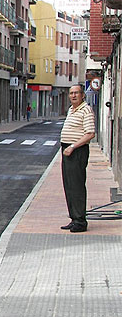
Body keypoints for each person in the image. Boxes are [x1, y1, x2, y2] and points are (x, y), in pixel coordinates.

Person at [59, 84, 95, 233]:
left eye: (76, 93)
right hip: (67, 150)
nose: (73, 96)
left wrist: (73, 146)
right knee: (69, 186)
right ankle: (74, 218)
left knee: (77, 186)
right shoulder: (72, 110)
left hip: (77, 151)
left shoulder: (86, 110)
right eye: (71, 93)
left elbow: (90, 133)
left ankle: (80, 221)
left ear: (82, 95)